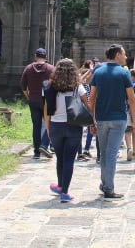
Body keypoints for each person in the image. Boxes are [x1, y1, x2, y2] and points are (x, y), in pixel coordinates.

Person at [89, 44, 135, 200]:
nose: (125, 57)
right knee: (111, 154)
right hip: (118, 118)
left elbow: (92, 99)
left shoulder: (98, 72)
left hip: (102, 118)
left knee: (104, 154)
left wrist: (92, 120)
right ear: (117, 55)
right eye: (124, 54)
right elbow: (132, 98)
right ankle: (109, 189)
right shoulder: (123, 73)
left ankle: (105, 183)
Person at [43, 59, 88, 203]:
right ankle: (65, 192)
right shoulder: (77, 87)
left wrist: (48, 127)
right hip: (74, 126)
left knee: (60, 158)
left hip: (56, 125)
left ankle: (60, 185)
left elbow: (46, 109)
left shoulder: (50, 87)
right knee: (69, 159)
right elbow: (87, 105)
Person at [20, 48, 54, 160]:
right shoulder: (51, 69)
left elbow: (24, 87)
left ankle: (36, 152)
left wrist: (29, 97)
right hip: (47, 101)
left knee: (36, 126)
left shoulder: (28, 68)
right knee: (49, 124)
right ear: (45, 57)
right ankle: (44, 146)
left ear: (35, 56)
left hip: (33, 100)